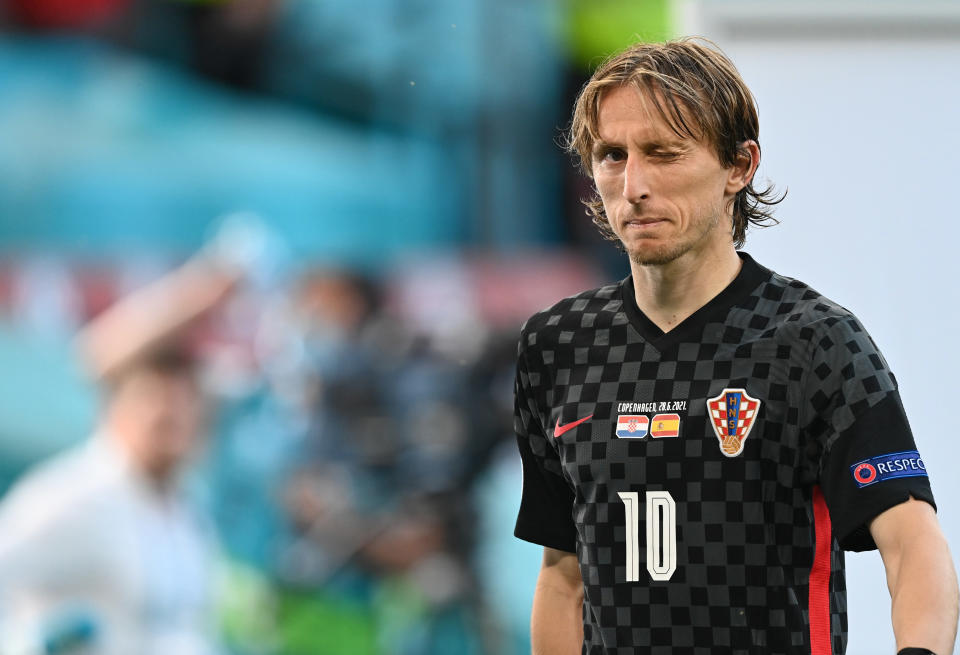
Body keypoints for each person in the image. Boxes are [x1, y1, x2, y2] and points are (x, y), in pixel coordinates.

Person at [513, 38, 958, 655]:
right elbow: (563, 577)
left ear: (739, 167)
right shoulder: (556, 345)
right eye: (611, 155)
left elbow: (912, 543)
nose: (633, 183)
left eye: (663, 153)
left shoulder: (814, 341)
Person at [0, 252, 239, 655]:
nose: (173, 421)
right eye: (159, 408)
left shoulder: (186, 513)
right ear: (117, 407)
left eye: (186, 410)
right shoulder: (72, 494)